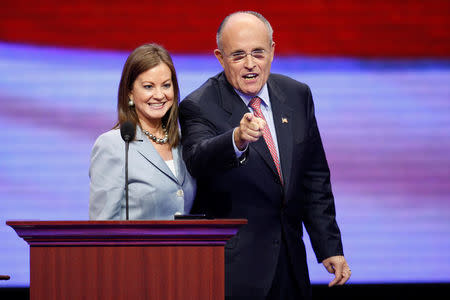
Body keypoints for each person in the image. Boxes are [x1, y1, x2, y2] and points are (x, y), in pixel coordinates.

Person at [179, 11, 350, 300]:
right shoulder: (198, 105)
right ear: (220, 58)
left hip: (290, 265)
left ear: (272, 50)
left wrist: (329, 245)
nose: (250, 65)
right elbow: (197, 158)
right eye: (238, 55)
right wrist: (235, 139)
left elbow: (313, 177)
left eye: (258, 53)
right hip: (235, 273)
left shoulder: (297, 94)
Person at [89, 43, 195, 220]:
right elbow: (102, 226)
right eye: (148, 86)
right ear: (130, 93)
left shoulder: (186, 142)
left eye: (166, 85)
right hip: (135, 248)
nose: (160, 95)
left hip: (183, 248)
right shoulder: (113, 146)